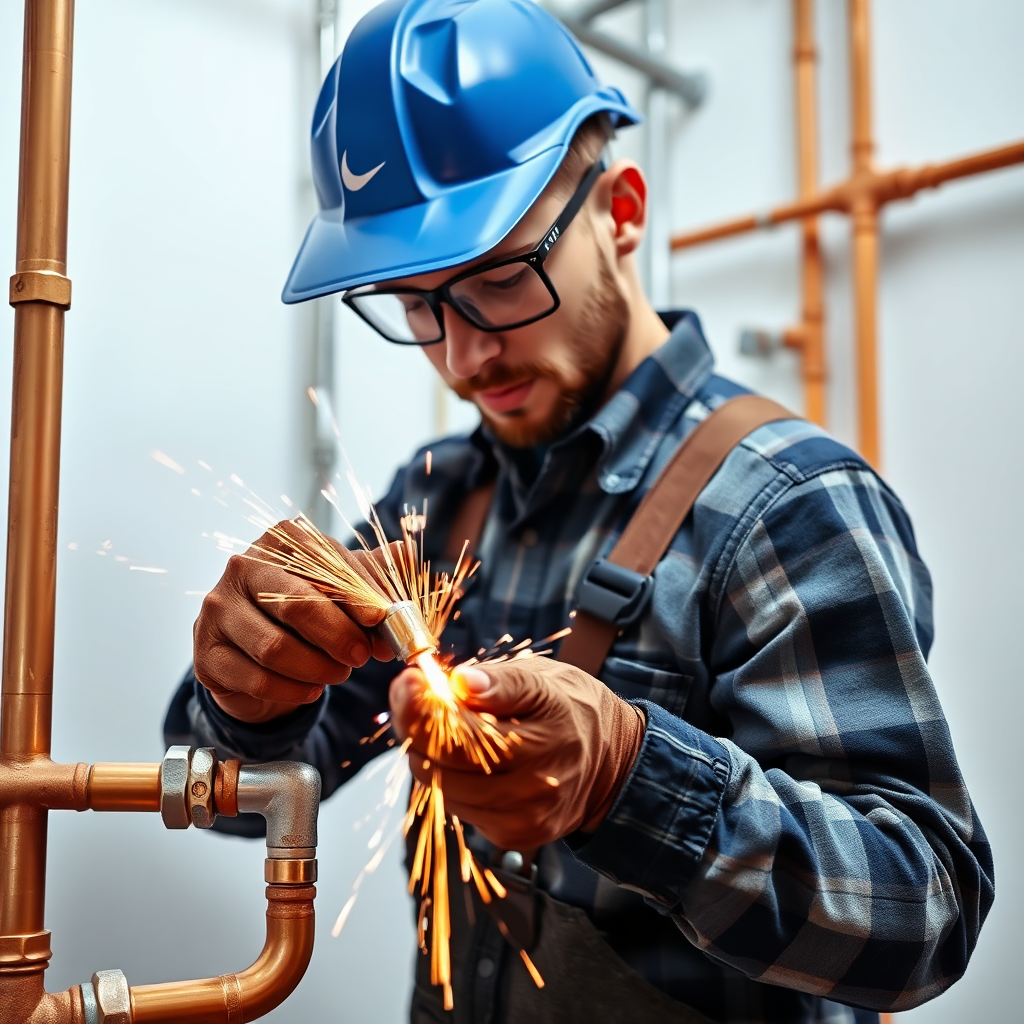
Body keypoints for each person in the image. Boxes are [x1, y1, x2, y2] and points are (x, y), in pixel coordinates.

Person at [164, 2, 993, 1022]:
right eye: (417, 306)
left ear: (623, 211)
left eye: (499, 281)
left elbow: (928, 911)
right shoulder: (434, 492)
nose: (464, 357)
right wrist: (247, 699)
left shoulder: (786, 506)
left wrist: (633, 782)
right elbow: (240, 804)